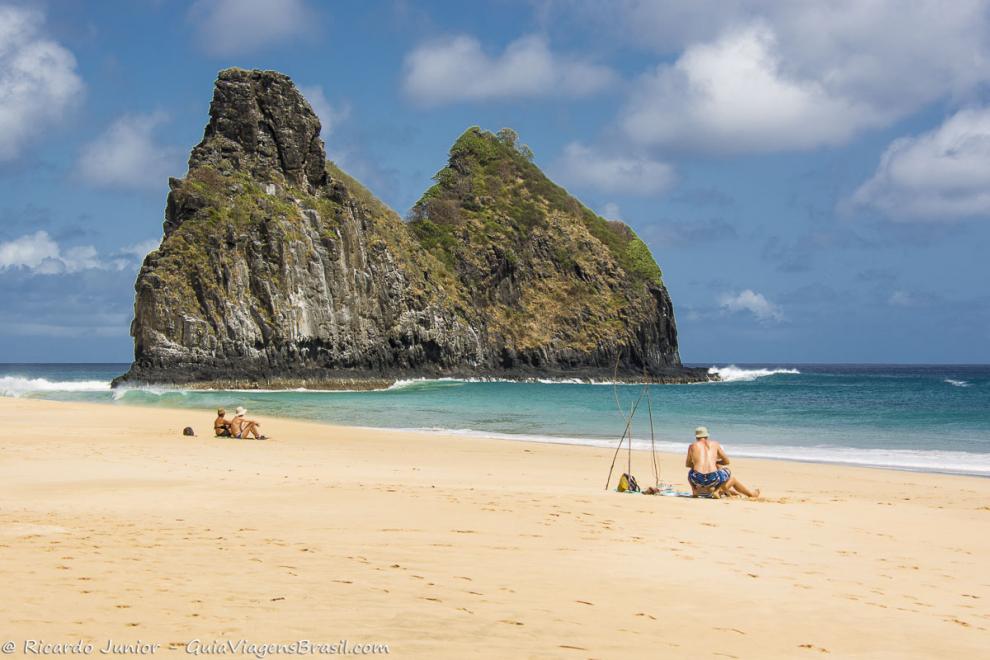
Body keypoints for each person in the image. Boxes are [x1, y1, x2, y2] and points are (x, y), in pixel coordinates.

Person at [685, 426, 759, 499]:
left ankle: (694, 490)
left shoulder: (692, 446)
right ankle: (717, 491)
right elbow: (727, 461)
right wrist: (715, 462)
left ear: (696, 436)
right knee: (727, 471)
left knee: (691, 471)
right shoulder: (715, 444)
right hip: (713, 478)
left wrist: (698, 464)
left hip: (697, 478)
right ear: (707, 435)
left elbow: (688, 464)